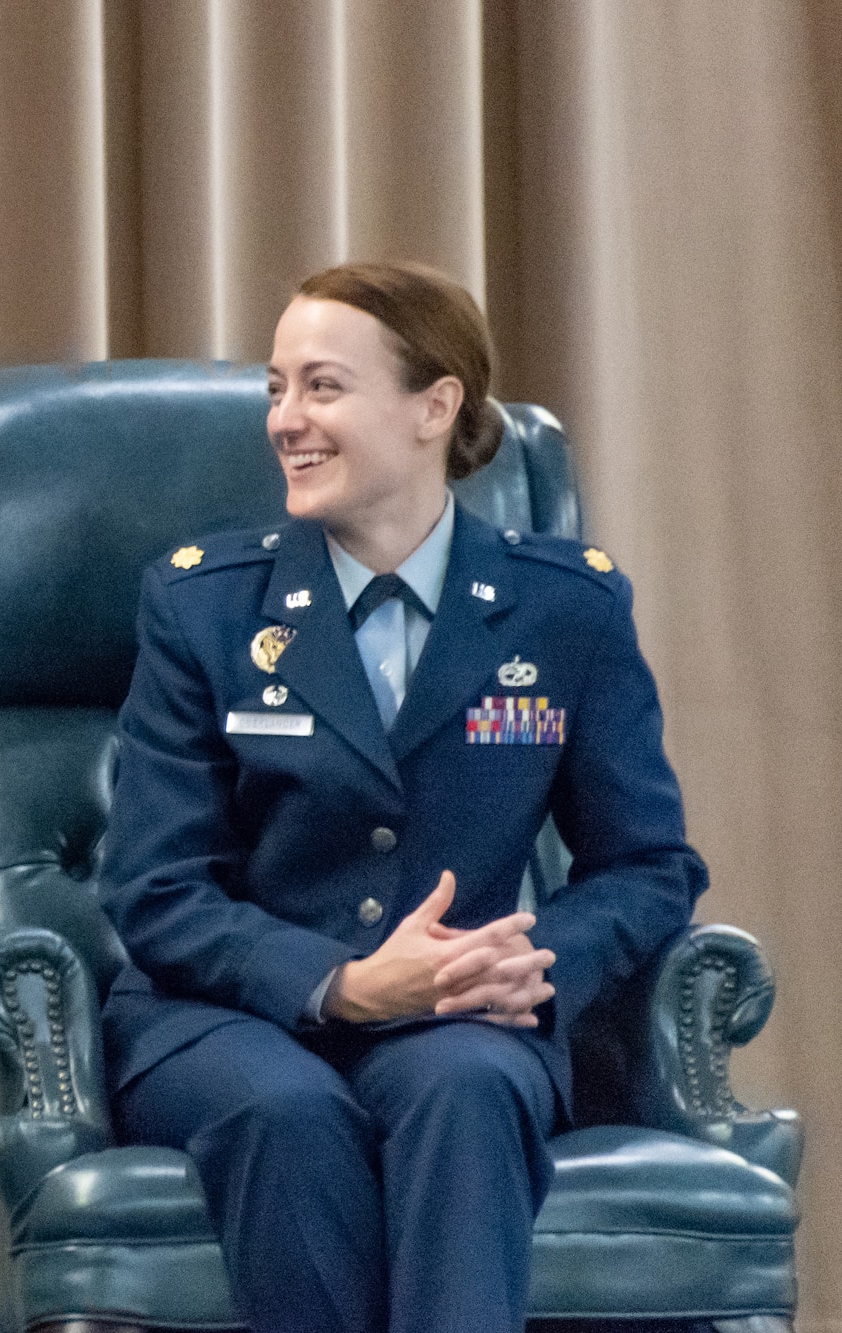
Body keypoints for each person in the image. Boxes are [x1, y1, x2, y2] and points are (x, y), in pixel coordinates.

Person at [98, 260, 706, 1333]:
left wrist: (538, 965)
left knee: (467, 1090)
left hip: (460, 1012)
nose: (286, 420)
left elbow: (647, 864)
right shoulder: (202, 605)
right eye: (275, 390)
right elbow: (153, 888)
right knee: (286, 1114)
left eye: (321, 387)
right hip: (226, 1018)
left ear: (434, 406)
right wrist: (337, 983)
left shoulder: (561, 607)